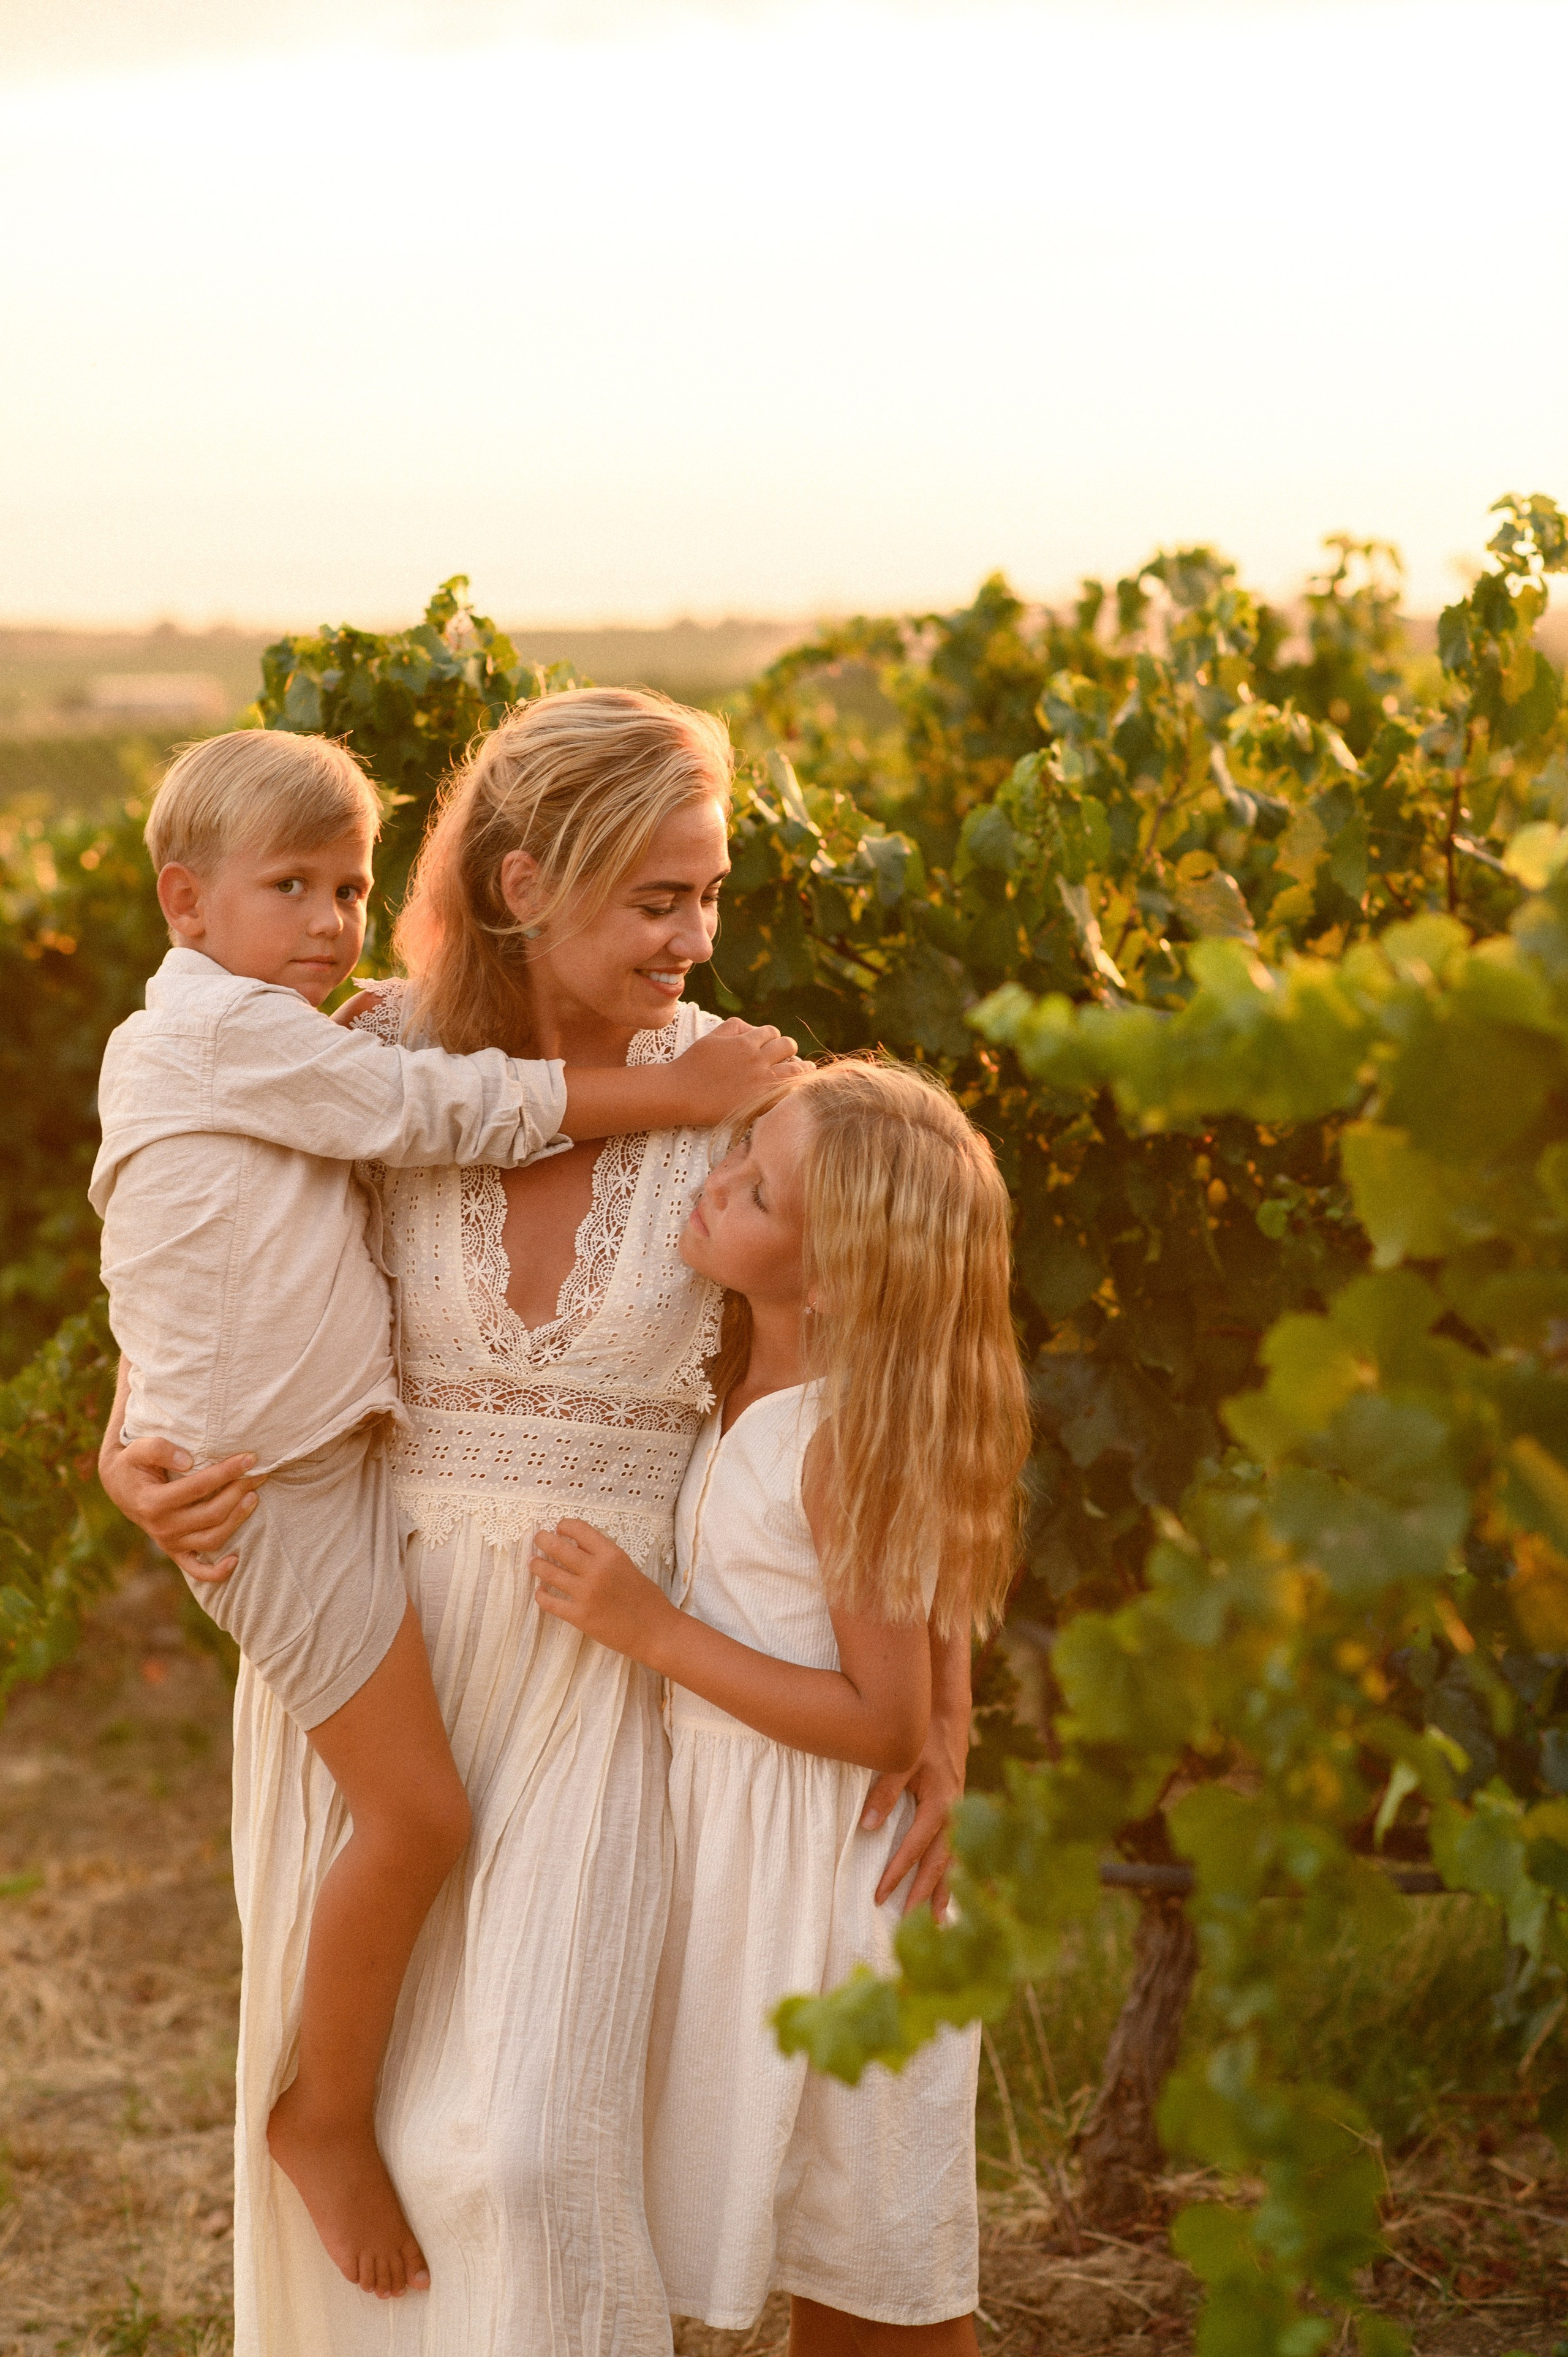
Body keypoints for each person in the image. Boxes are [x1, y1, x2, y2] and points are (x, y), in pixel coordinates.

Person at [100, 688, 968, 2355]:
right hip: (389, 1626)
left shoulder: (741, 1101)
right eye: (659, 898)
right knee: (414, 2161)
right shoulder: (360, 1052)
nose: (695, 937)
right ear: (521, 888)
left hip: (605, 1662)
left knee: (524, 2160)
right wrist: (125, 1451)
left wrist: (939, 1694)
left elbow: (869, 1411)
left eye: (711, 893)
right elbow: (200, 1271)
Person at [531, 1058, 1029, 2356]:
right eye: (738, 1153)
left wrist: (651, 1630)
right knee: (815, 2245)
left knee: (871, 2277)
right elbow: (925, 1617)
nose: (712, 1184)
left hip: (837, 1898)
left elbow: (879, 1719)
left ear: (826, 1279)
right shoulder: (749, 1382)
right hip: (753, 1871)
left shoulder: (833, 1433)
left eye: (755, 1189)